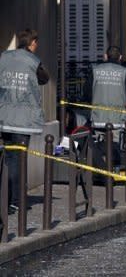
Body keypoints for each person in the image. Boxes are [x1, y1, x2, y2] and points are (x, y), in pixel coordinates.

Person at [0, 28, 49, 213]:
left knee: (7, 159)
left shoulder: (4, 56)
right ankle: (16, 200)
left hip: (4, 116)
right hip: (22, 119)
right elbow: (44, 79)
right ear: (32, 42)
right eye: (37, 43)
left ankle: (6, 198)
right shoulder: (33, 61)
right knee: (18, 161)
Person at [84, 46, 126, 142]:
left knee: (99, 145)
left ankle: (103, 157)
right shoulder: (124, 71)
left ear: (105, 56)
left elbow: (87, 92)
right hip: (117, 118)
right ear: (120, 57)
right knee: (115, 146)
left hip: (98, 116)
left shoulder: (95, 70)